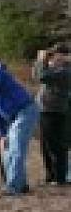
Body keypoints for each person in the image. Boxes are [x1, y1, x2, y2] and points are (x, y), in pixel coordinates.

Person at [0, 60, 39, 195]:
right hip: (10, 118)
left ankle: (13, 186)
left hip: (25, 110)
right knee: (7, 149)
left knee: (16, 147)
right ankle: (20, 184)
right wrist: (2, 135)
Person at [33, 43, 70, 186]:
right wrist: (42, 62)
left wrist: (41, 60)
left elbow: (41, 76)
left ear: (64, 55)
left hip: (54, 111)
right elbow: (37, 75)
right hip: (46, 109)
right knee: (46, 145)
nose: (54, 56)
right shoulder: (56, 69)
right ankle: (51, 176)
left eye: (56, 54)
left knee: (57, 146)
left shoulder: (65, 71)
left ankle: (60, 177)